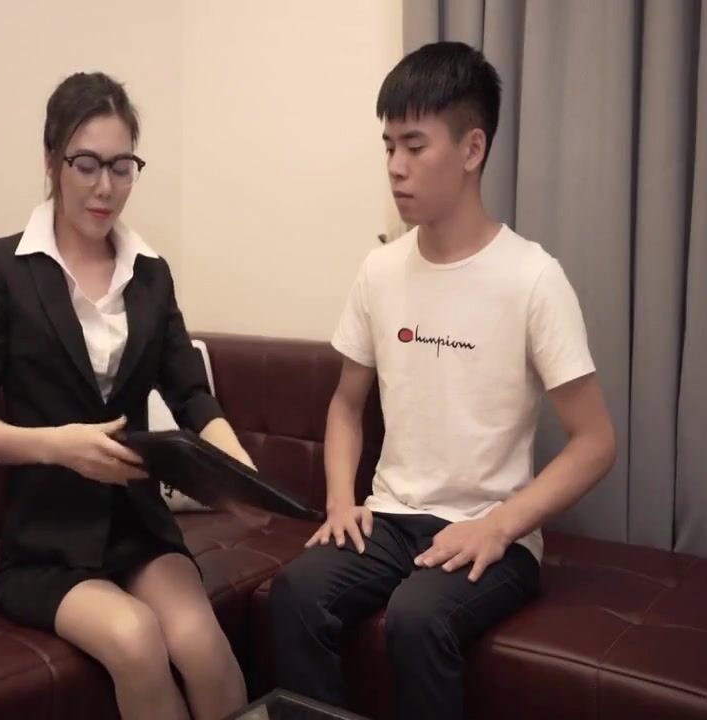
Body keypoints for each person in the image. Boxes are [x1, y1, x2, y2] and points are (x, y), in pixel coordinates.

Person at [268, 42, 617, 720]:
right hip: (391, 517)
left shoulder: (533, 278)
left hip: (493, 529)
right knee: (295, 594)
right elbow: (345, 407)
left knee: (418, 617)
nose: (395, 167)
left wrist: (501, 526)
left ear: (471, 149)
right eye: (388, 146)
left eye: (414, 146)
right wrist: (340, 501)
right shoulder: (380, 272)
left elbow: (595, 442)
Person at [0, 71, 249, 720]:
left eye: (121, 166)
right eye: (86, 164)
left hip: (136, 525)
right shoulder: (1, 268)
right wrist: (59, 447)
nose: (105, 186)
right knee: (136, 639)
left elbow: (191, 394)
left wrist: (240, 474)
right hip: (46, 540)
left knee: (202, 643)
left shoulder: (150, 274)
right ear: (52, 161)